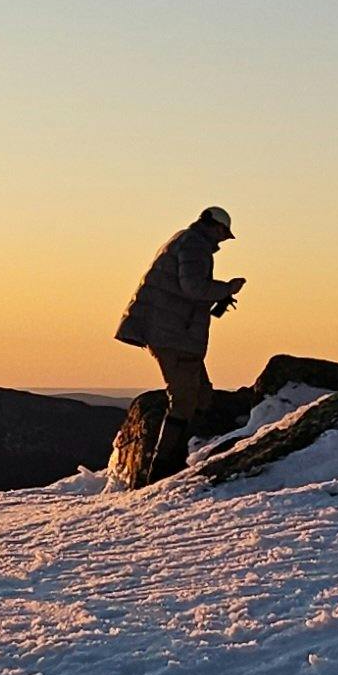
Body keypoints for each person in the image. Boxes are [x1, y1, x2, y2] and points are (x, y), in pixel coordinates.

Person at [113, 205, 244, 479]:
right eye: (223, 233)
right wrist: (227, 288)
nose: (223, 239)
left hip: (172, 333)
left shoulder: (185, 241)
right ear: (215, 226)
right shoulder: (195, 246)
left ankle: (176, 459)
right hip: (174, 336)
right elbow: (194, 288)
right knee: (185, 399)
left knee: (201, 394)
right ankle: (160, 470)